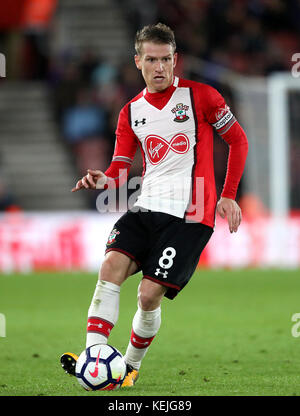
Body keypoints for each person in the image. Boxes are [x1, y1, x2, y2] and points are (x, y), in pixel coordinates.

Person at [60, 23, 248, 387]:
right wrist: (104, 178)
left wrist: (228, 194)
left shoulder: (203, 96)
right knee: (110, 267)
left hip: (193, 214)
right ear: (138, 62)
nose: (160, 67)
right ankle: (94, 357)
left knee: (148, 295)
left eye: (166, 59)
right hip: (146, 205)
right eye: (151, 60)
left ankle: (128, 368)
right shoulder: (130, 112)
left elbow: (238, 142)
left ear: (176, 60)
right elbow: (119, 166)